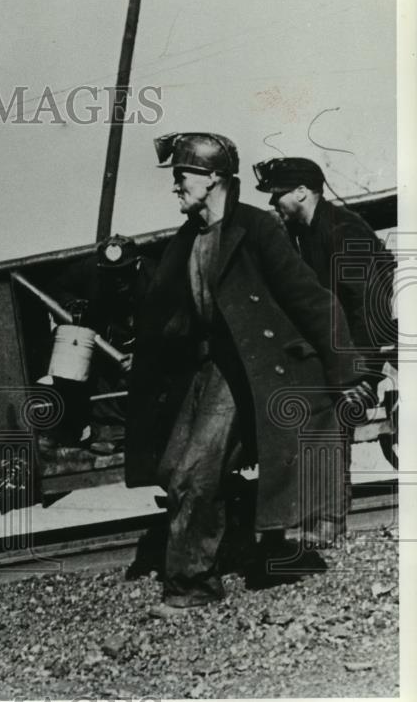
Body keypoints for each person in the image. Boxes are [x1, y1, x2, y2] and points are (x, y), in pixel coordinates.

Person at [125, 131, 369, 615]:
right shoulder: (188, 238)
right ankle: (262, 549)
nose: (176, 186)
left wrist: (347, 372)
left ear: (214, 177)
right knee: (176, 468)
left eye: (182, 176)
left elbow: (310, 298)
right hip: (210, 365)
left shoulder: (255, 228)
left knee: (196, 472)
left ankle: (192, 586)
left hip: (252, 365)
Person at [254, 156, 394, 540]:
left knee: (336, 414)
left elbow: (368, 303)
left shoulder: (342, 231)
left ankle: (329, 520)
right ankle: (320, 516)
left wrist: (362, 372)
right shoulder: (311, 231)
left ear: (302, 192)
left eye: (277, 195)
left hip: (361, 350)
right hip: (343, 350)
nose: (273, 204)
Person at [43, 234, 154, 455]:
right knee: (73, 361)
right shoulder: (89, 270)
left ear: (137, 264)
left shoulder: (155, 277)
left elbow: (173, 324)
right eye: (112, 274)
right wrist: (73, 305)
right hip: (104, 341)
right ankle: (62, 431)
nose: (118, 280)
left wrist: (145, 356)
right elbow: (57, 286)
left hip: (146, 341)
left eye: (124, 272)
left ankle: (135, 432)